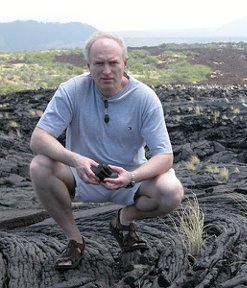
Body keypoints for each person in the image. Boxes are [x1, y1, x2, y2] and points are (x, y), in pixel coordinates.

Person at [29, 31, 184, 270]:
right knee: (39, 166)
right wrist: (76, 160)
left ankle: (123, 221)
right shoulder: (72, 90)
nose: (107, 70)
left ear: (125, 63)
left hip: (129, 179)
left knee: (171, 191)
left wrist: (131, 177)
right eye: (99, 63)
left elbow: (164, 156)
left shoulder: (144, 98)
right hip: (82, 177)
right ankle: (75, 240)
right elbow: (38, 139)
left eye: (113, 63)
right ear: (88, 65)